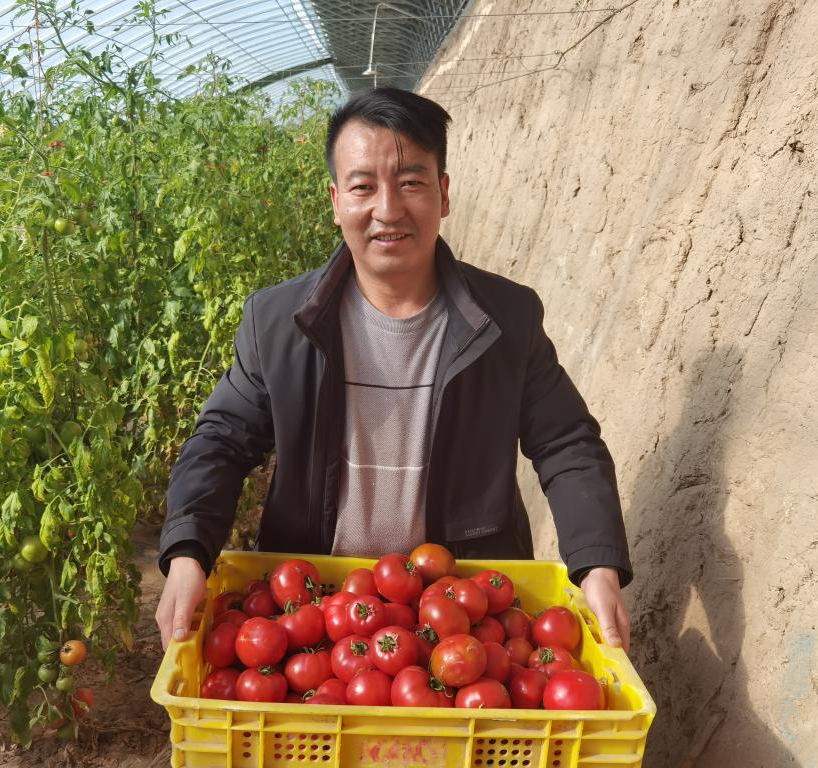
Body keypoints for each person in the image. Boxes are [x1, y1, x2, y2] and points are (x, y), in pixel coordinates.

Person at [156, 87, 632, 653]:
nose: (388, 209)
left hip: (462, 619)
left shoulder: (507, 319)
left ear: (443, 193)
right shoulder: (278, 323)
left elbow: (567, 443)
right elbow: (222, 439)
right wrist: (188, 553)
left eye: (410, 182)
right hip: (317, 615)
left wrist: (596, 563)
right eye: (363, 186)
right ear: (336, 201)